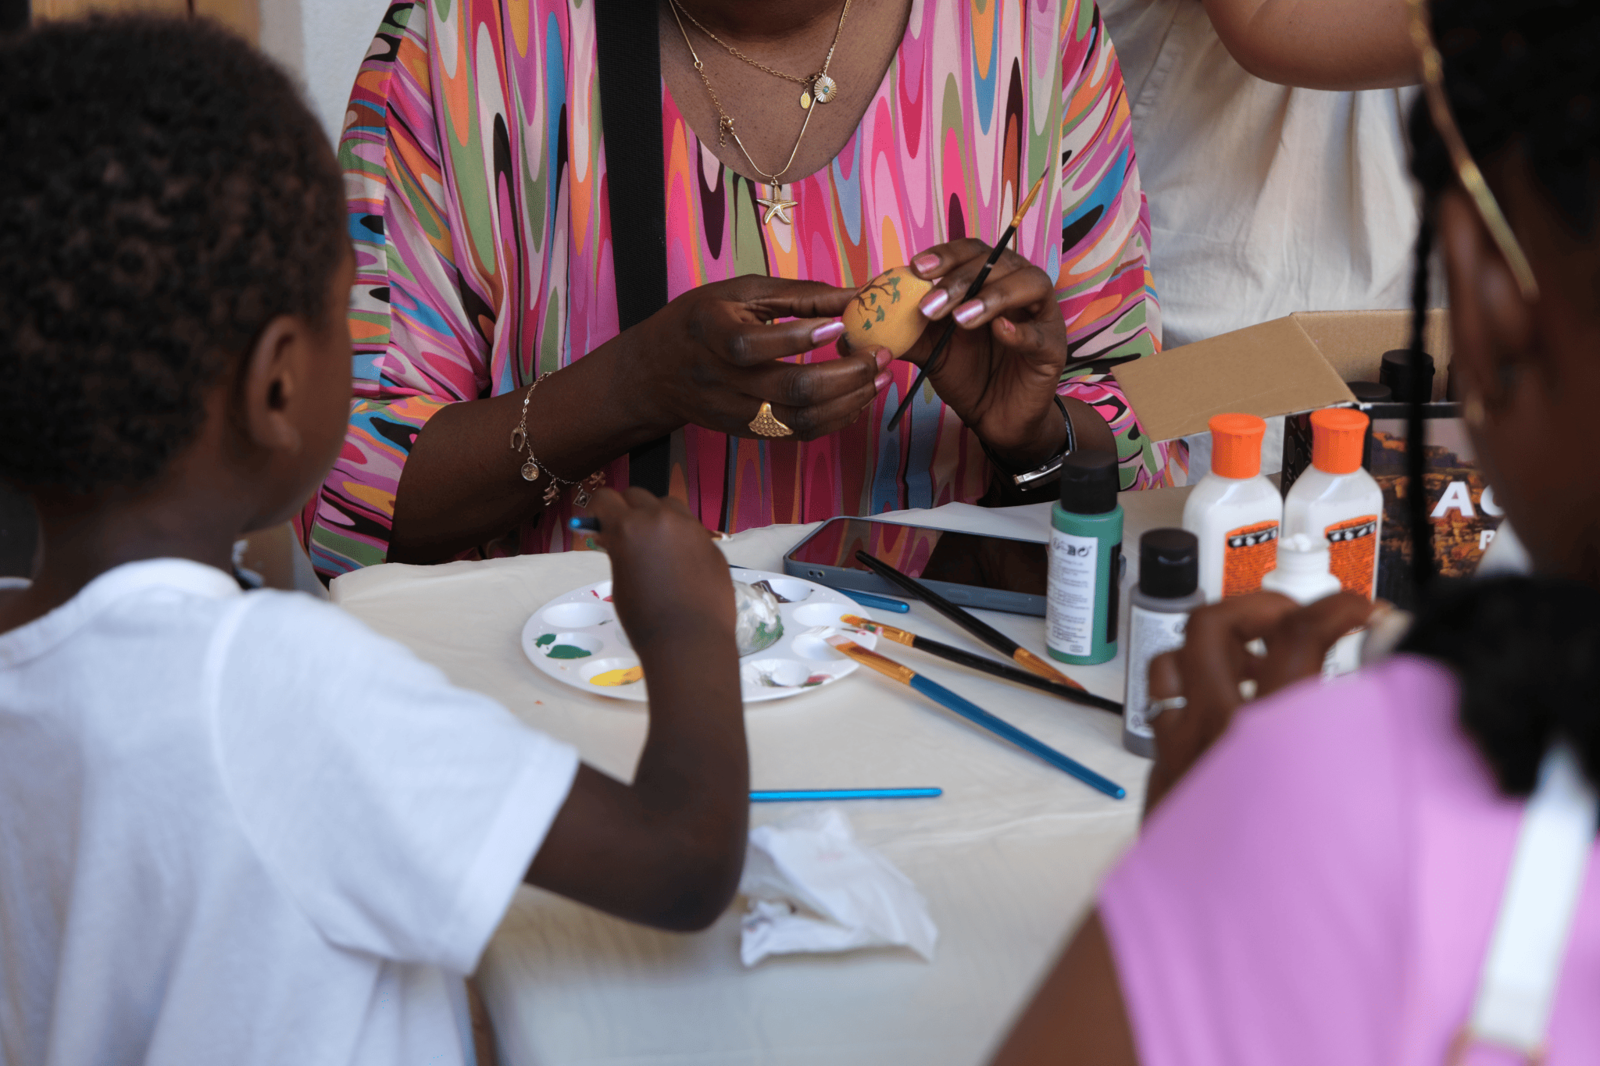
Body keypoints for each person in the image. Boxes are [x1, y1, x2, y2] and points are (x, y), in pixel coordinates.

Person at [0, 19, 753, 1064]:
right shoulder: (284, 687)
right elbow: (681, 862)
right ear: (278, 386)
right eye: (346, 315)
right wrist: (687, 624)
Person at [989, 0, 1600, 1060]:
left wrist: (1215, 850)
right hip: (1219, 333)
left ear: (1484, 305)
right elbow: (1273, 21)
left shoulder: (1342, 795)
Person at [302, 0, 1181, 579]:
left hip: (945, 711)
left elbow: (1147, 453)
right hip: (591, 715)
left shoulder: (1035, 32)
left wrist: (1032, 434)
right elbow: (349, 499)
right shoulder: (471, 43)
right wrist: (631, 389)